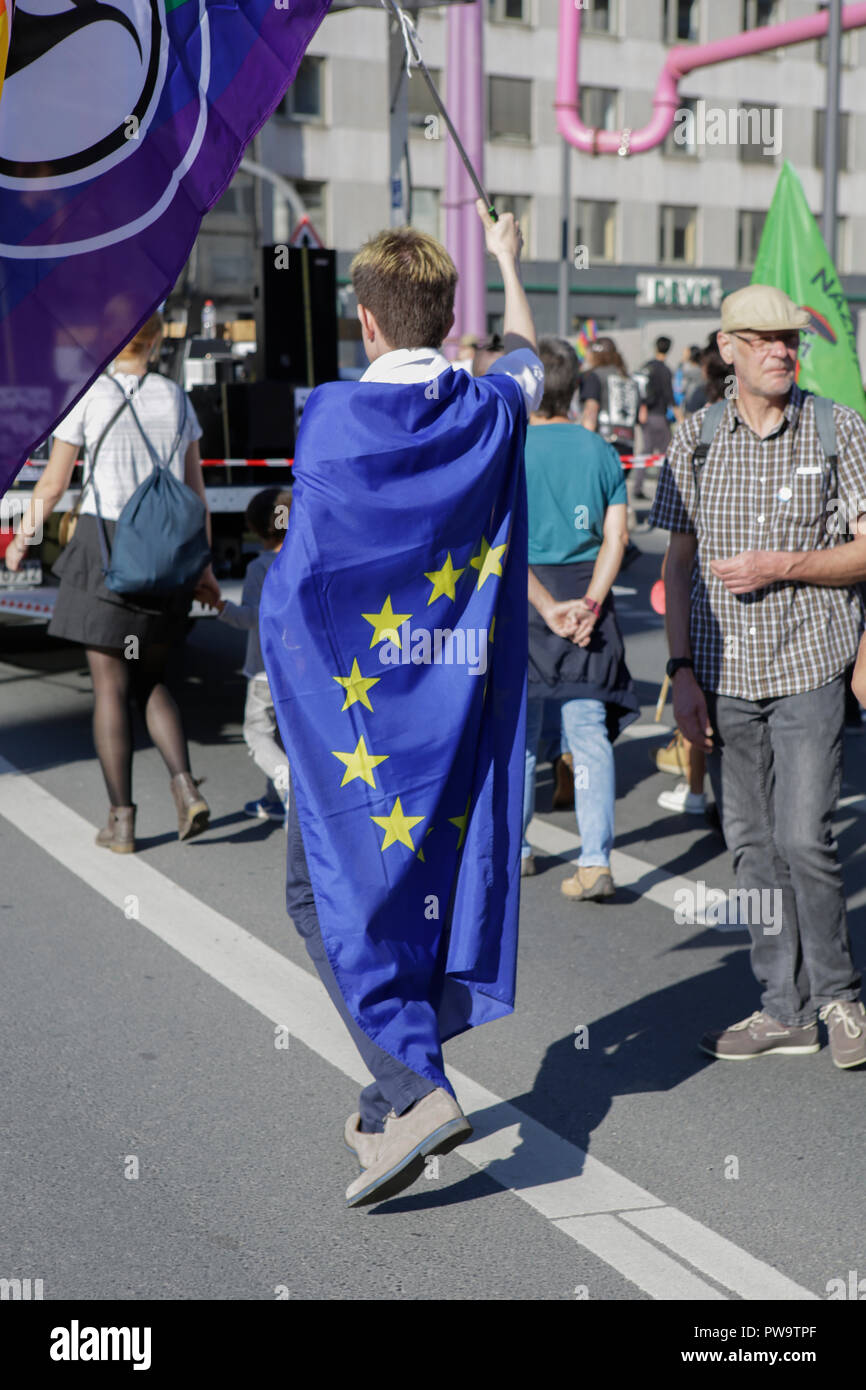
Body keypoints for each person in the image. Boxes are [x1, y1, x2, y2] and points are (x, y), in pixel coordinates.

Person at [260, 202, 544, 1208]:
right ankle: (390, 1102)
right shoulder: (485, 408)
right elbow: (532, 360)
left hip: (354, 728)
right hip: (451, 706)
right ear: (441, 313)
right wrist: (507, 258)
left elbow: (308, 583)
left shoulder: (331, 418)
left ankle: (412, 1088)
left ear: (365, 320)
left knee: (321, 894)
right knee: (417, 884)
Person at [650, 283, 866, 1069]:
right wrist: (679, 673)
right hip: (722, 676)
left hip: (811, 664)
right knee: (749, 847)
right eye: (766, 338)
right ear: (728, 348)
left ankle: (842, 998)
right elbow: (676, 564)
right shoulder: (696, 437)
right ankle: (783, 1008)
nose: (784, 349)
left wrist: (785, 565)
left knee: (804, 837)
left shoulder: (838, 430)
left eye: (791, 339)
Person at [4, 312, 216, 852]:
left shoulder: (87, 397)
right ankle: (186, 786)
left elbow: (53, 484)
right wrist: (205, 568)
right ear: (159, 339)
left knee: (110, 688)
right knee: (154, 680)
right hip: (165, 552)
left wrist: (22, 538)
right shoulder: (175, 398)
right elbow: (196, 494)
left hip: (105, 550)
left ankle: (122, 823)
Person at [522, 336, 640, 898]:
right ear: (573, 390)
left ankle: (516, 850)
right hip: (586, 592)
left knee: (519, 737)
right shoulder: (599, 451)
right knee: (587, 731)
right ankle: (595, 860)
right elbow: (617, 537)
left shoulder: (509, 448)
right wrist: (590, 604)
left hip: (527, 599)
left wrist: (547, 607)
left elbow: (500, 541)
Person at [200, 488, 292, 822]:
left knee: (257, 733)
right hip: (299, 669)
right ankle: (273, 799)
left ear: (254, 528)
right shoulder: (302, 562)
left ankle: (285, 782)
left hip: (266, 670)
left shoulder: (260, 568)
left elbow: (254, 617)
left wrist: (221, 606)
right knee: (284, 734)